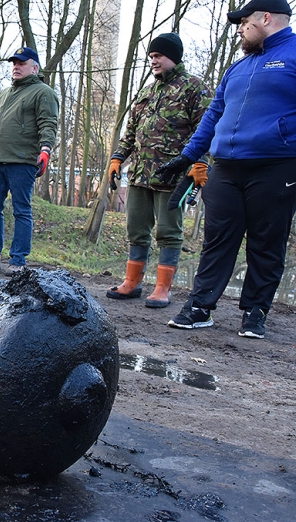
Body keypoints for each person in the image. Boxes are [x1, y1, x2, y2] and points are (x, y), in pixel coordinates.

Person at [156, 0, 296, 338]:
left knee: (266, 241)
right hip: (226, 168)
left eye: (243, 22)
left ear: (266, 18)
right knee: (217, 239)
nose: (239, 29)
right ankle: (201, 306)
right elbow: (213, 115)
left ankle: (255, 311)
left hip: (276, 166)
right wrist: (188, 156)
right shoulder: (238, 67)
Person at [106, 33, 213, 308]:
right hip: (140, 173)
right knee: (136, 228)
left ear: (173, 57)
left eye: (158, 56)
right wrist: (118, 158)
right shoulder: (147, 91)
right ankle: (132, 282)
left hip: (174, 175)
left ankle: (163, 288)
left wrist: (200, 162)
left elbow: (208, 129)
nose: (153, 61)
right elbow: (130, 132)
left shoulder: (194, 88)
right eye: (151, 57)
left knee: (168, 231)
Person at [0, 46, 59, 276]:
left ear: (34, 68)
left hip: (22, 162)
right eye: (14, 63)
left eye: (21, 63)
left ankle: (18, 260)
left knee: (21, 210)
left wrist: (45, 150)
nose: (16, 67)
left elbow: (48, 123)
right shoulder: (4, 94)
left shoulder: (43, 92)